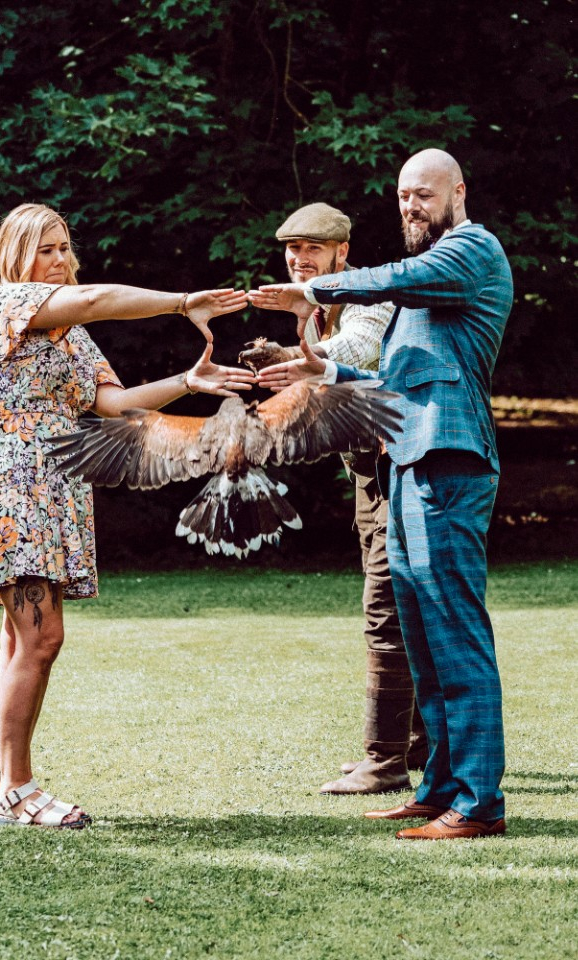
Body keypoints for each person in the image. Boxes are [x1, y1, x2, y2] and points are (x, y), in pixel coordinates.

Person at [0, 202, 254, 829]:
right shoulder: (6, 305)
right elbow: (93, 300)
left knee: (20, 638)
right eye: (46, 249)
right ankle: (17, 789)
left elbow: (114, 404)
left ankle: (12, 782)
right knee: (42, 637)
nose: (60, 260)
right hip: (13, 479)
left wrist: (188, 381)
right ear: (14, 255)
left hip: (57, 478)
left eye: (65, 247)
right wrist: (182, 301)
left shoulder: (70, 334)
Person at [251, 148, 513, 839]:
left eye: (423, 194)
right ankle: (438, 789)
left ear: (458, 190)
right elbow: (393, 383)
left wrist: (317, 290)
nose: (411, 206)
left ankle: (479, 804)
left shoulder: (470, 251)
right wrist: (321, 369)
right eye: (402, 197)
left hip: (450, 457)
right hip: (406, 460)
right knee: (422, 638)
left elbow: (398, 276)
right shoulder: (421, 292)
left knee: (455, 634)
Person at [251, 202, 427, 795]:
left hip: (398, 468)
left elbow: (352, 353)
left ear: (341, 254)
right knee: (404, 608)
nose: (300, 260)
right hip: (368, 472)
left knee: (385, 611)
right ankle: (418, 743)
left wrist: (295, 362)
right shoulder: (318, 311)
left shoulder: (366, 299)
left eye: (313, 251)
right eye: (293, 250)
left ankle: (384, 760)